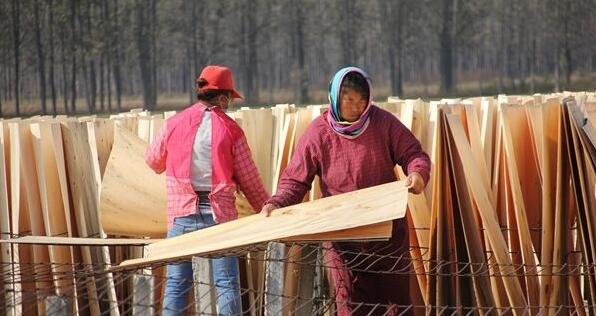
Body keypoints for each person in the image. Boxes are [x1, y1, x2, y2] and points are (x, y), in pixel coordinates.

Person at [261, 66, 430, 315]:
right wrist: (277, 203)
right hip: (343, 235)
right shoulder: (318, 133)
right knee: (350, 302)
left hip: (387, 231)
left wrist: (417, 174)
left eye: (361, 101)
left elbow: (414, 154)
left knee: (395, 303)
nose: (356, 107)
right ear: (335, 98)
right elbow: (295, 181)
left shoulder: (383, 123)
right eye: (348, 99)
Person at [146, 65, 270, 315]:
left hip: (181, 215)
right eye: (230, 100)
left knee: (177, 285)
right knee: (226, 284)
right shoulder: (231, 130)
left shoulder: (173, 124)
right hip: (219, 217)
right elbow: (250, 182)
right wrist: (268, 209)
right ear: (223, 98)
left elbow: (153, 161)